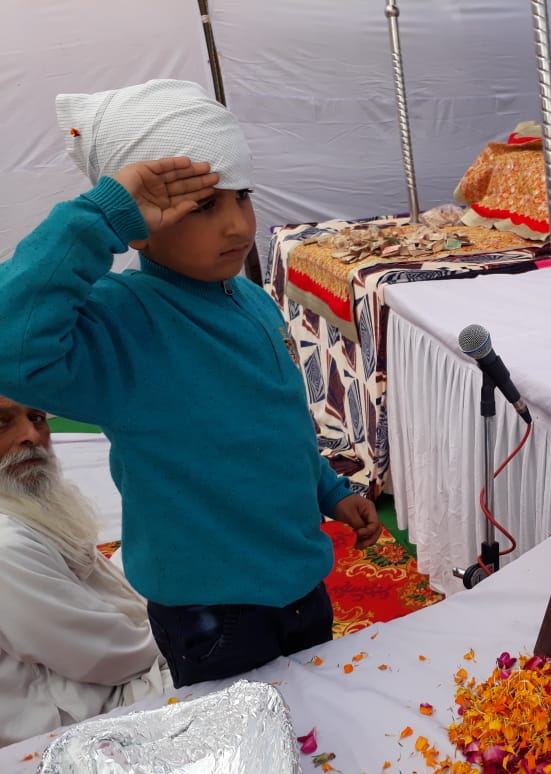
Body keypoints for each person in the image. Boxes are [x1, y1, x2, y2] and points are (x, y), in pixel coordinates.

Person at [0, 79, 382, 689]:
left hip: (300, 584)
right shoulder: (120, 320)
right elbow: (11, 346)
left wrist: (328, 490)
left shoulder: (251, 300)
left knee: (317, 722)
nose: (237, 226)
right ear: (139, 224)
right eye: (204, 206)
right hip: (211, 613)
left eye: (243, 197)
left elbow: (274, 424)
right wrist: (100, 218)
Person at [0, 395, 171, 745]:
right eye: (3, 422)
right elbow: (111, 659)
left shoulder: (21, 512)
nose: (31, 435)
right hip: (81, 716)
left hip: (109, 668)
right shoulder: (6, 548)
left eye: (37, 418)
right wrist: (185, 628)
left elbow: (101, 581)